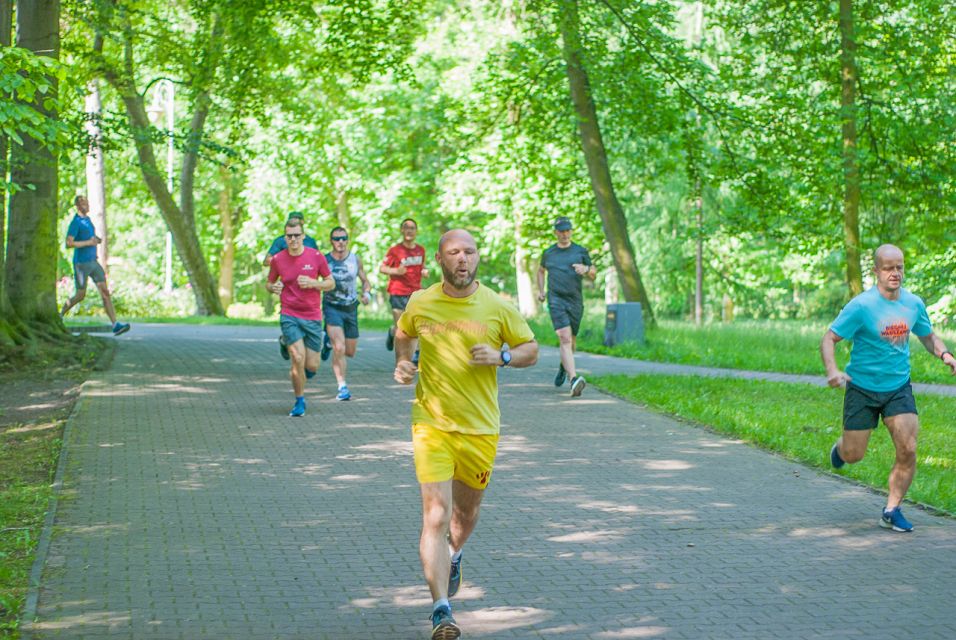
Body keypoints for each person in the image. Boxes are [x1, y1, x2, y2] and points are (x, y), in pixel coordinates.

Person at [393, 229, 538, 640]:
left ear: (477, 257)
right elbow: (404, 333)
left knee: (465, 515)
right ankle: (441, 610)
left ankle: (454, 555)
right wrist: (404, 363)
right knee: (435, 515)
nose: (462, 259)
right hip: (431, 424)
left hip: (480, 429)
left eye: (469, 252)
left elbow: (531, 349)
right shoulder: (421, 301)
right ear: (439, 259)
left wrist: (502, 356)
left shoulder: (496, 306)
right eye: (454, 252)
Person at [821, 244, 956, 532]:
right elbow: (829, 339)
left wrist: (945, 354)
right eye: (888, 268)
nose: (895, 273)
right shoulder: (861, 306)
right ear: (876, 271)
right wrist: (833, 371)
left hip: (898, 387)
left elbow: (928, 337)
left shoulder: (913, 304)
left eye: (900, 267)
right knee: (854, 455)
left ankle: (891, 510)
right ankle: (842, 449)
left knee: (908, 447)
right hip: (862, 387)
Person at [266, 218, 334, 417]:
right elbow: (269, 283)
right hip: (289, 314)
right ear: (284, 237)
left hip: (312, 315)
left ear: (303, 236)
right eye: (289, 236)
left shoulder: (316, 256)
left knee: (311, 366)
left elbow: (330, 283)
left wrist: (314, 283)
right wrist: (273, 287)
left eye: (297, 235)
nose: (293, 239)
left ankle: (287, 348)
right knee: (297, 357)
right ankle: (299, 401)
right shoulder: (278, 259)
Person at [536, 216, 595, 397]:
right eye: (561, 231)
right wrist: (541, 290)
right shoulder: (549, 253)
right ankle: (573, 379)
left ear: (571, 231)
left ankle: (564, 365)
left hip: (575, 301)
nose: (565, 234)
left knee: (572, 340)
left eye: (567, 230)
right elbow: (540, 270)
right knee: (565, 338)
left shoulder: (580, 251)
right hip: (556, 300)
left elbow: (593, 273)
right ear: (556, 233)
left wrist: (585, 270)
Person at [60, 195, 130, 336]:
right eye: (83, 203)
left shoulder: (88, 220)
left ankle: (115, 325)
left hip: (94, 262)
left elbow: (89, 239)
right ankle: (60, 315)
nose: (86, 205)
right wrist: (88, 243)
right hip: (81, 263)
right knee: (80, 295)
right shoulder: (76, 222)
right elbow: (69, 243)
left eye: (87, 202)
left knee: (105, 292)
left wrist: (96, 240)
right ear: (78, 206)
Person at [320, 226, 372, 401]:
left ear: (347, 240)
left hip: (351, 308)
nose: (340, 242)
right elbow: (315, 281)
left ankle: (328, 340)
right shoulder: (324, 260)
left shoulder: (355, 260)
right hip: (332, 307)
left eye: (344, 238)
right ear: (331, 241)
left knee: (349, 352)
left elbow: (365, 281)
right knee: (339, 348)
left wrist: (367, 293)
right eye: (336, 239)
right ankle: (342, 386)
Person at [263, 211, 319, 361]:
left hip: (307, 286)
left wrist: (316, 282)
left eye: (298, 222)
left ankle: (301, 346)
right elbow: (267, 260)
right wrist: (286, 258)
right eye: (292, 221)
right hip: (288, 284)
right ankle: (286, 340)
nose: (294, 238)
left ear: (303, 225)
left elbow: (318, 262)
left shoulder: (310, 241)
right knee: (290, 315)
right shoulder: (281, 241)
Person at [380, 218, 428, 357]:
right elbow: (382, 268)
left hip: (415, 292)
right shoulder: (395, 250)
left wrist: (424, 271)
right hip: (398, 291)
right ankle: (392, 333)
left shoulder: (420, 250)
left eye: (412, 228)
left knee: (417, 323)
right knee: (401, 328)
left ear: (416, 231)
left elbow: (422, 266)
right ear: (402, 230)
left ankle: (416, 353)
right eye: (406, 227)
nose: (409, 230)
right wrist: (395, 271)